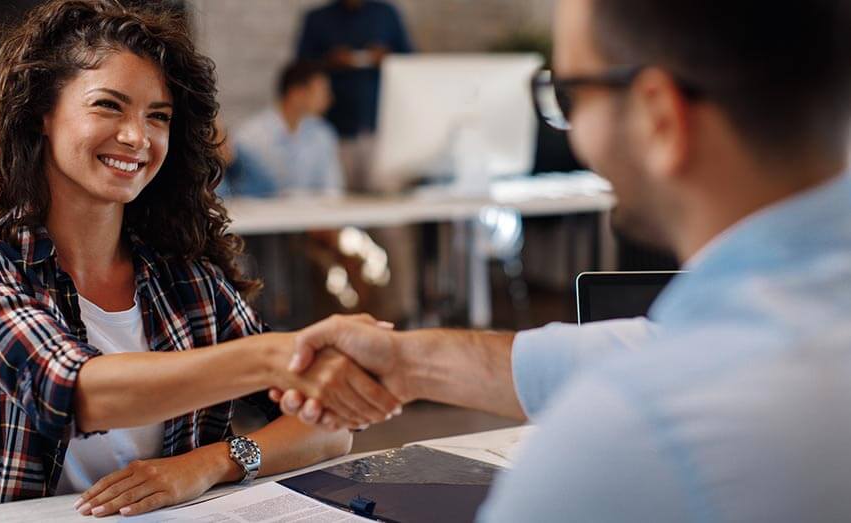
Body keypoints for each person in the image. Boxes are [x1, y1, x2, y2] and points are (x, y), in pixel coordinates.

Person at [275, 0, 851, 520]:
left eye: (570, 94)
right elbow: (648, 345)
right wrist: (406, 363)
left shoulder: (631, 435)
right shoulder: (784, 325)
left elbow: (654, 377)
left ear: (659, 118)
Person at [0, 0, 401, 514]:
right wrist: (276, 357)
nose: (137, 137)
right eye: (108, 105)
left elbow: (328, 429)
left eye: (158, 116)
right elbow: (74, 392)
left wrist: (210, 463)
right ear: (42, 113)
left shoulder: (190, 279)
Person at [296, 0, 412, 191]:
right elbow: (300, 70)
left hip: (379, 126)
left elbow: (410, 62)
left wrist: (389, 58)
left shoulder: (387, 14)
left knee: (385, 201)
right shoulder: (318, 19)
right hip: (335, 129)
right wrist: (329, 61)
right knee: (338, 199)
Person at [229, 61, 343, 197]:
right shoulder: (250, 137)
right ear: (296, 93)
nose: (329, 99)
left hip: (314, 215)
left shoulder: (323, 134)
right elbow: (240, 191)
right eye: (322, 91)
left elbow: (332, 190)